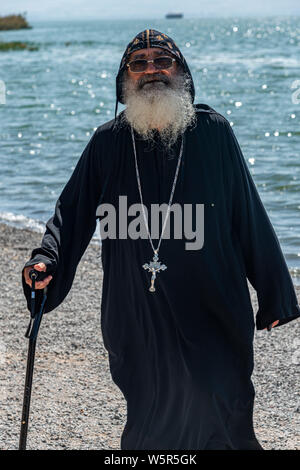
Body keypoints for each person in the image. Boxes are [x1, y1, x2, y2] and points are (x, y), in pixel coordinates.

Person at [22, 29, 300, 450]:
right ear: (124, 79)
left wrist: (275, 292)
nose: (151, 69)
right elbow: (71, 213)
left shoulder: (213, 132)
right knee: (149, 423)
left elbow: (248, 214)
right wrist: (48, 260)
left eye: (161, 61)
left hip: (213, 305)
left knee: (222, 410)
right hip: (136, 312)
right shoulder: (106, 142)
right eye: (139, 63)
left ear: (182, 72)